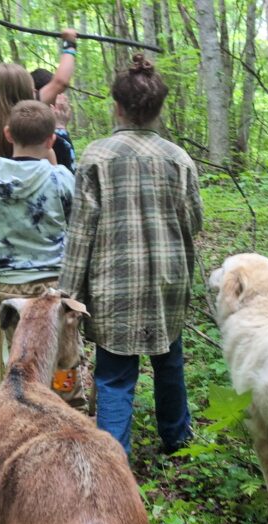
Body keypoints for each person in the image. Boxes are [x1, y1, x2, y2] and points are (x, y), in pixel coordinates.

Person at [60, 54, 203, 456]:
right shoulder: (178, 158)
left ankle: (114, 457)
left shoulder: (96, 156)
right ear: (159, 108)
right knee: (168, 363)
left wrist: (67, 293)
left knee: (115, 376)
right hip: (167, 282)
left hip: (113, 283)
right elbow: (193, 220)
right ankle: (178, 440)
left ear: (117, 106)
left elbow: (81, 231)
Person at [0, 100, 85, 408]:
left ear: (7, 134)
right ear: (51, 140)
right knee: (63, 353)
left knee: (16, 356)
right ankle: (68, 406)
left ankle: (18, 408)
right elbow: (79, 224)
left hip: (9, 285)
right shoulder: (60, 179)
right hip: (55, 285)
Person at [0, 29, 77, 165]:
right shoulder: (27, 112)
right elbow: (61, 82)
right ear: (21, 91)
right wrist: (69, 43)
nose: (34, 91)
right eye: (30, 88)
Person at [32, 67, 77, 173]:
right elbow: (69, 174)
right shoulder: (43, 138)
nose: (61, 103)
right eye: (57, 96)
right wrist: (60, 129)